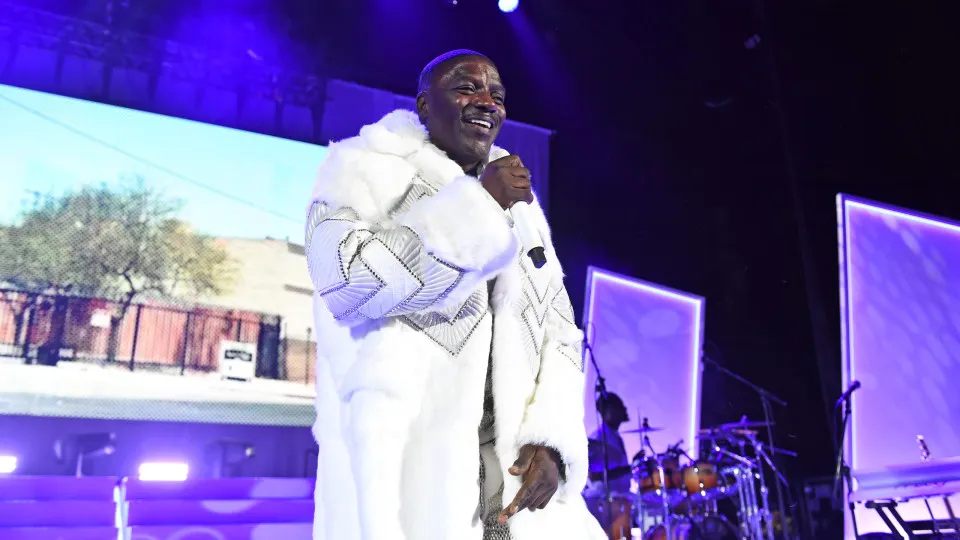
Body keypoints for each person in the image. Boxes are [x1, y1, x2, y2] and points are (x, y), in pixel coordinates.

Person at [305, 50, 605, 540]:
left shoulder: (522, 207)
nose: (487, 102)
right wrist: (480, 206)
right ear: (424, 105)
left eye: (497, 95)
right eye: (467, 88)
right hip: (412, 477)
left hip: (514, 481)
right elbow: (345, 282)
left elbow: (560, 331)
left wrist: (550, 438)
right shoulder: (362, 167)